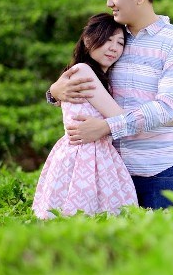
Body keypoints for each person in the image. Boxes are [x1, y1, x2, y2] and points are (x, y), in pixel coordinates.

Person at [47, 0, 173, 209]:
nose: (109, 3)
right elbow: (82, 72)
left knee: (163, 246)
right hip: (110, 172)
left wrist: (106, 127)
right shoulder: (111, 37)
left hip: (161, 171)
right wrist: (53, 92)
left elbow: (166, 108)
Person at [33, 13, 139, 219]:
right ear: (89, 40)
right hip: (85, 157)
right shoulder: (83, 71)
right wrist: (168, 118)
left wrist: (52, 92)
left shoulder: (96, 75)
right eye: (107, 40)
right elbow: (120, 118)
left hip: (95, 155)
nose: (114, 48)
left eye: (120, 43)